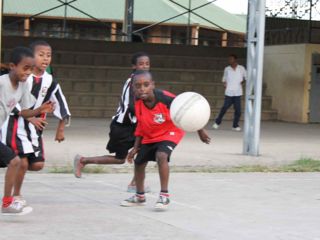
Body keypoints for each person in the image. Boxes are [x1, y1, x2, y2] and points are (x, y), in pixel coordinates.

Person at [120, 70, 210, 210]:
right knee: (138, 162)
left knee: (161, 156)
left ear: (153, 85)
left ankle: (164, 196)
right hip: (151, 134)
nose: (142, 88)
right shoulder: (137, 103)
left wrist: (200, 129)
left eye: (146, 84)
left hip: (170, 131)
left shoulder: (166, 98)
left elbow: (188, 109)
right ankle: (139, 196)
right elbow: (141, 124)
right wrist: (136, 147)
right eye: (138, 86)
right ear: (133, 89)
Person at [1, 40, 71, 208]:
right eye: (41, 55)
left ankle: (8, 200)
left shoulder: (40, 82)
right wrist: (29, 117)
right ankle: (13, 198)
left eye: (48, 55)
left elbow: (27, 109)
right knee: (19, 162)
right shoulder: (10, 80)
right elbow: (15, 105)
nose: (45, 59)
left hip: (30, 129)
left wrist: (41, 111)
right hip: (14, 127)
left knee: (27, 163)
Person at [73, 52, 150, 192]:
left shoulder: (145, 82)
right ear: (134, 66)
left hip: (134, 126)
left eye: (147, 64)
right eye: (141, 64)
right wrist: (146, 114)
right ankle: (83, 160)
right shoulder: (133, 82)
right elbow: (131, 106)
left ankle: (135, 183)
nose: (144, 66)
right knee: (120, 159)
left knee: (146, 150)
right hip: (122, 126)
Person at [212, 54, 247, 131]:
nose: (229, 60)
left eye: (231, 59)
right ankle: (217, 123)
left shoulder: (241, 68)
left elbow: (245, 77)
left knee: (238, 110)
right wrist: (224, 83)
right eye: (229, 59)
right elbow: (224, 78)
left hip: (238, 92)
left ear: (235, 60)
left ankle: (235, 125)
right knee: (224, 108)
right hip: (229, 92)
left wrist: (242, 82)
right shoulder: (227, 69)